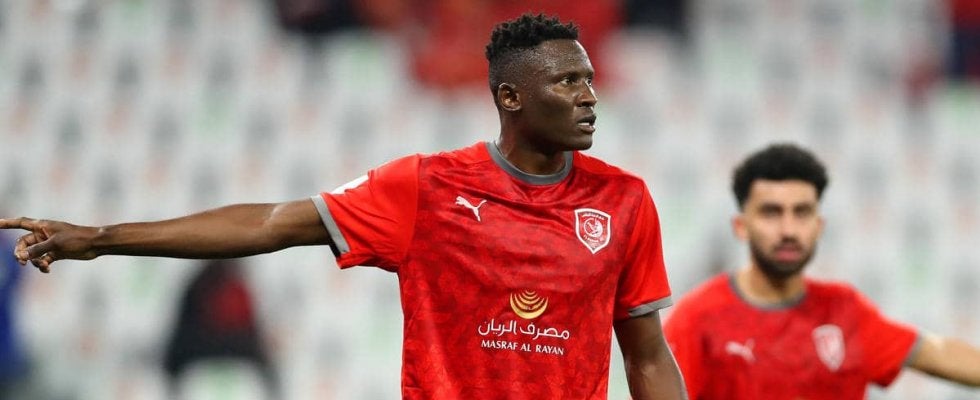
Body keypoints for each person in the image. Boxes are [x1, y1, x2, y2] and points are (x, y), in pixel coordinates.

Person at [0, 14, 686, 400]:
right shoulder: (426, 188)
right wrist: (102, 236)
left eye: (588, 79)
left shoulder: (622, 201)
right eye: (566, 82)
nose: (589, 95)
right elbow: (269, 224)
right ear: (510, 97)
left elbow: (649, 356)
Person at [663, 143, 980, 400]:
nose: (788, 229)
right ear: (740, 226)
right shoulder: (697, 319)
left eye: (802, 212)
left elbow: (936, 353)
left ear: (819, 225)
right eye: (771, 212)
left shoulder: (845, 311)